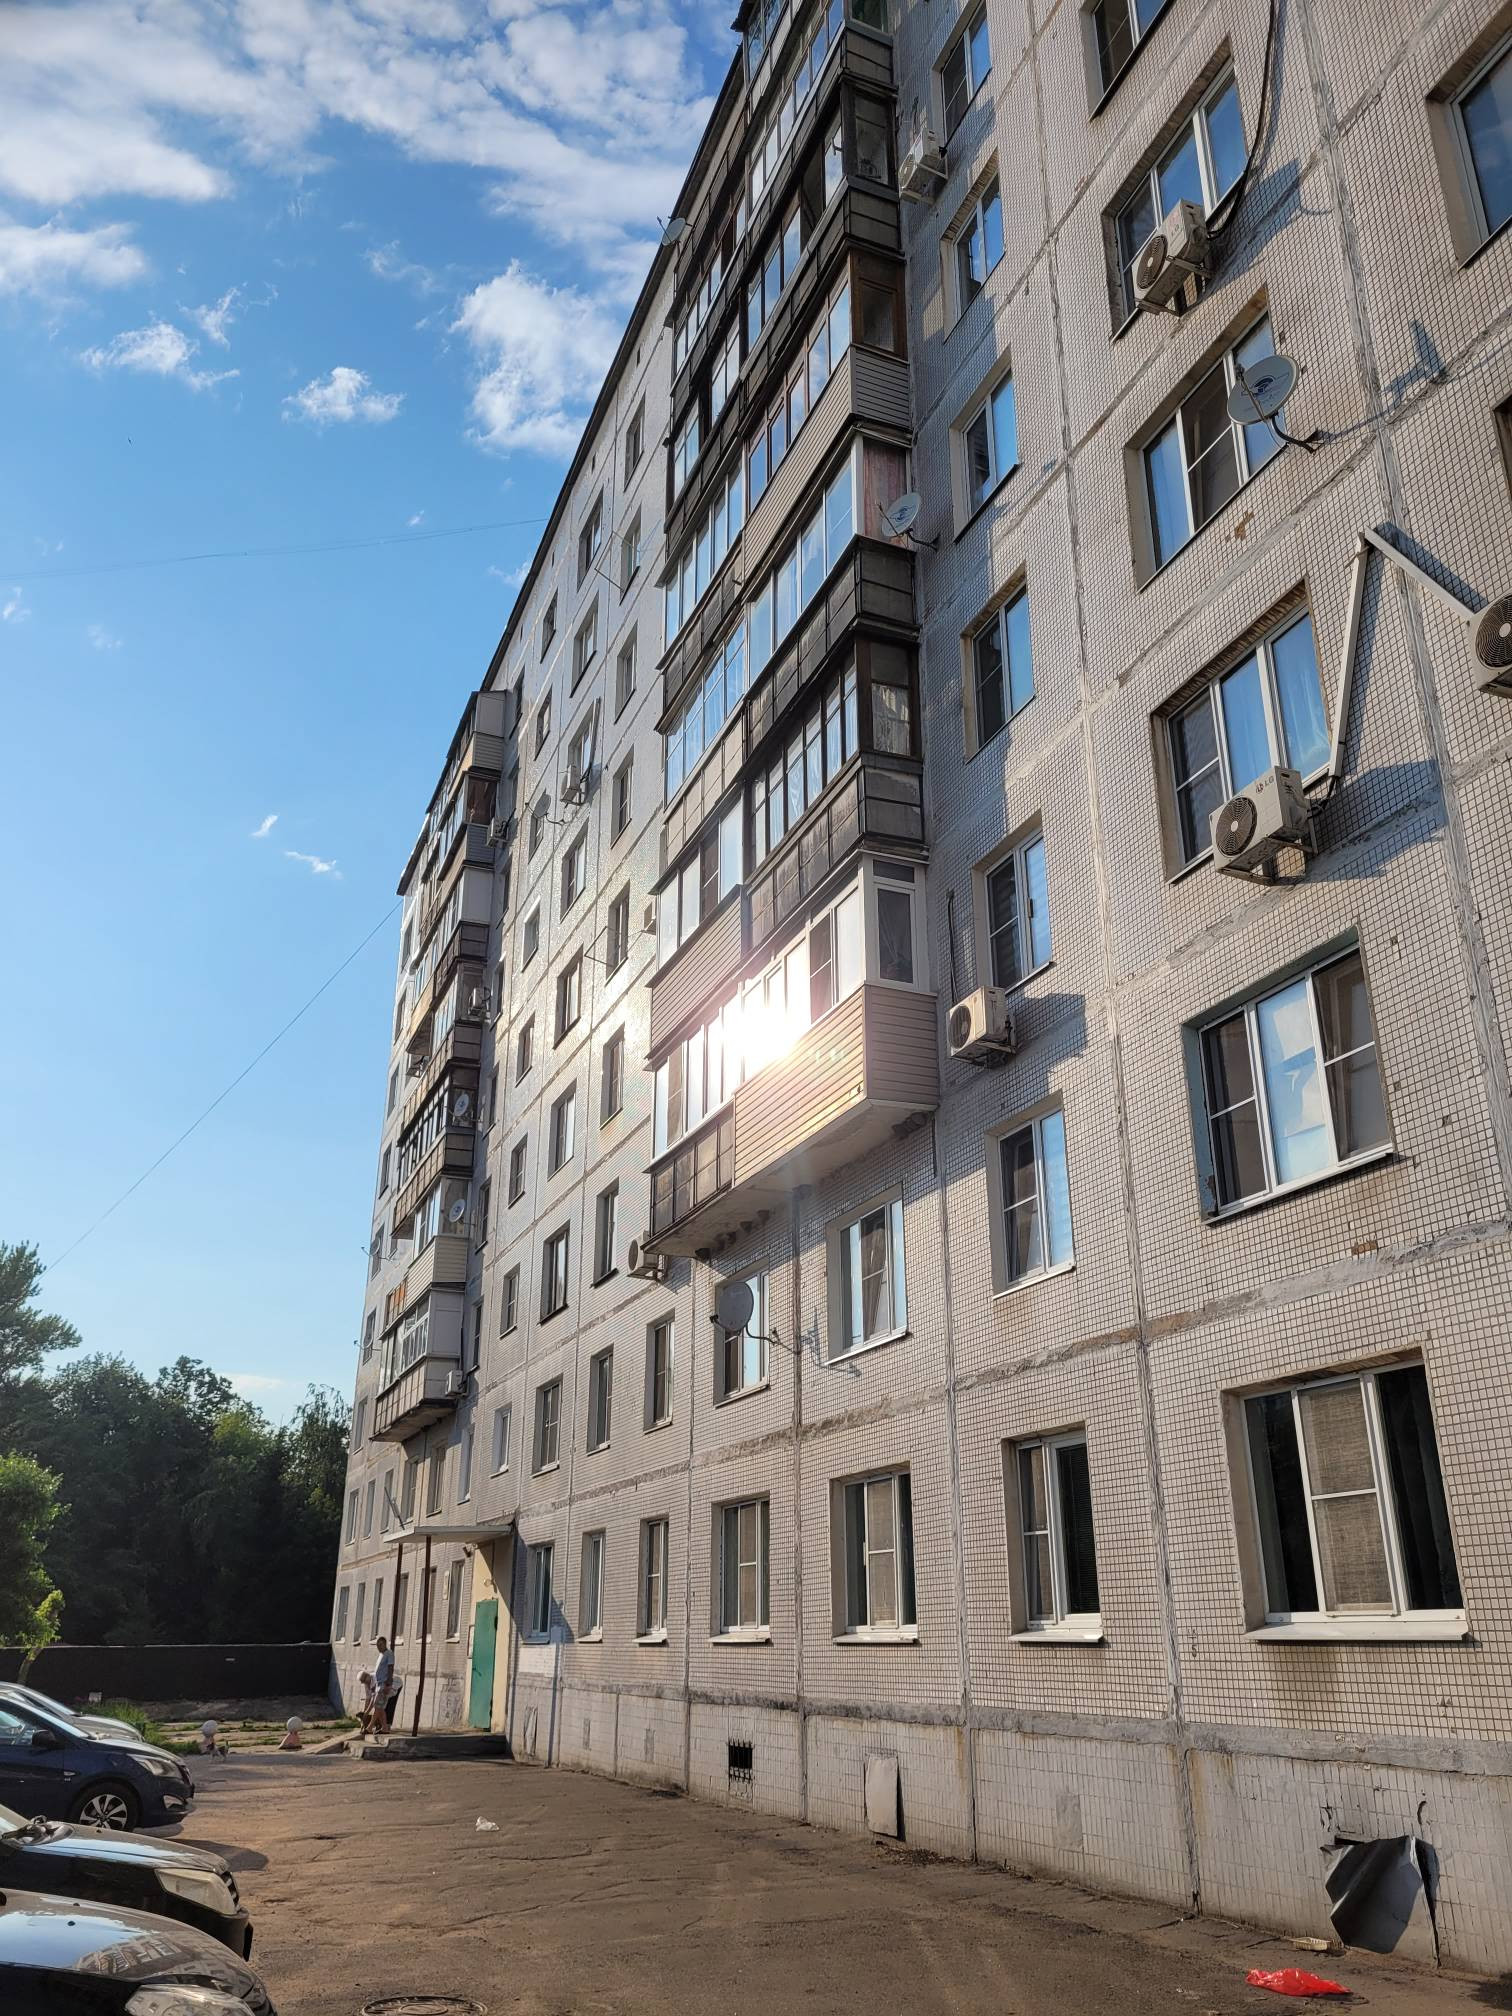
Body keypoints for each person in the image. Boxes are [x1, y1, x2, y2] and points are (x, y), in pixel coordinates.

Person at [372, 1637, 397, 1735]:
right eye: (377, 1645)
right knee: (379, 1707)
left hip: (384, 1684)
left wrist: (388, 1684)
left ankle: (376, 1727)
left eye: (380, 1645)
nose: (378, 1647)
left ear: (385, 1644)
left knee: (378, 1705)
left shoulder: (389, 1653)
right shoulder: (380, 1655)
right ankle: (384, 1727)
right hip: (379, 1684)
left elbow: (390, 1668)